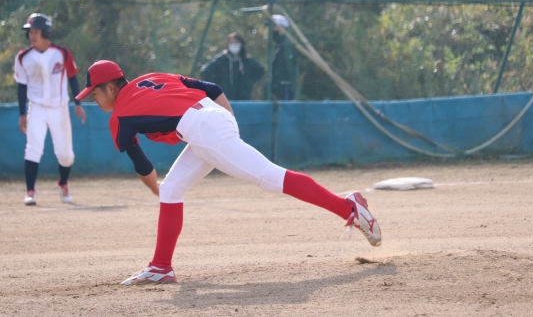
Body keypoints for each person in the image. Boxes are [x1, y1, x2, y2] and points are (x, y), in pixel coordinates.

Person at [76, 60, 381, 285]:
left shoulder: (120, 116)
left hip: (203, 130)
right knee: (172, 189)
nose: (94, 99)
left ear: (111, 88)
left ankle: (350, 208)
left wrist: (154, 189)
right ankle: (161, 267)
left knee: (270, 178)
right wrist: (226, 123)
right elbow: (212, 88)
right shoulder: (151, 77)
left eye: (95, 93)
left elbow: (142, 164)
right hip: (210, 119)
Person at [14, 13, 87, 206]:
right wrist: (22, 114)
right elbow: (21, 86)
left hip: (59, 109)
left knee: (66, 155)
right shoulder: (23, 57)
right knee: (33, 149)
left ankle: (63, 183)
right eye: (30, 32)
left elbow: (72, 77)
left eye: (36, 31)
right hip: (36, 108)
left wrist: (78, 103)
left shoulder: (62, 53)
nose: (32, 35)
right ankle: (30, 191)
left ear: (46, 32)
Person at [199, 33, 264, 100]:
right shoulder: (222, 59)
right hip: (224, 97)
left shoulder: (247, 59)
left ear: (241, 44)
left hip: (243, 97)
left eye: (236, 42)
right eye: (231, 42)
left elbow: (261, 71)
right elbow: (205, 71)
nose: (233, 45)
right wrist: (217, 84)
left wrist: (249, 82)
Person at [270, 15, 298, 100]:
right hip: (279, 88)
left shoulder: (287, 45)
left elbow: (286, 69)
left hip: (285, 88)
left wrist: (276, 88)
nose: (272, 29)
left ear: (283, 28)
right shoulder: (279, 45)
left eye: (274, 26)